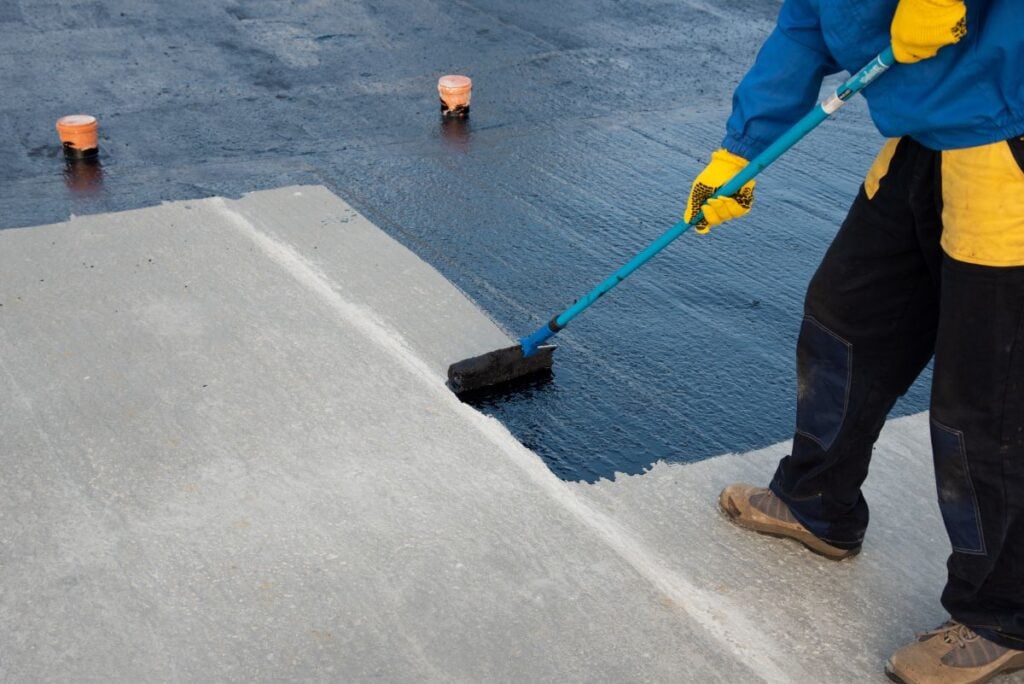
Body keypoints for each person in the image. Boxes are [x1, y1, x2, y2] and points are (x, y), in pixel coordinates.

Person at [686, 0, 1024, 681]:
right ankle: (818, 502)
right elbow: (807, 23)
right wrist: (739, 149)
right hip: (925, 136)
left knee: (985, 397)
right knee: (845, 322)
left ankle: (1003, 614)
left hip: (1006, 132)